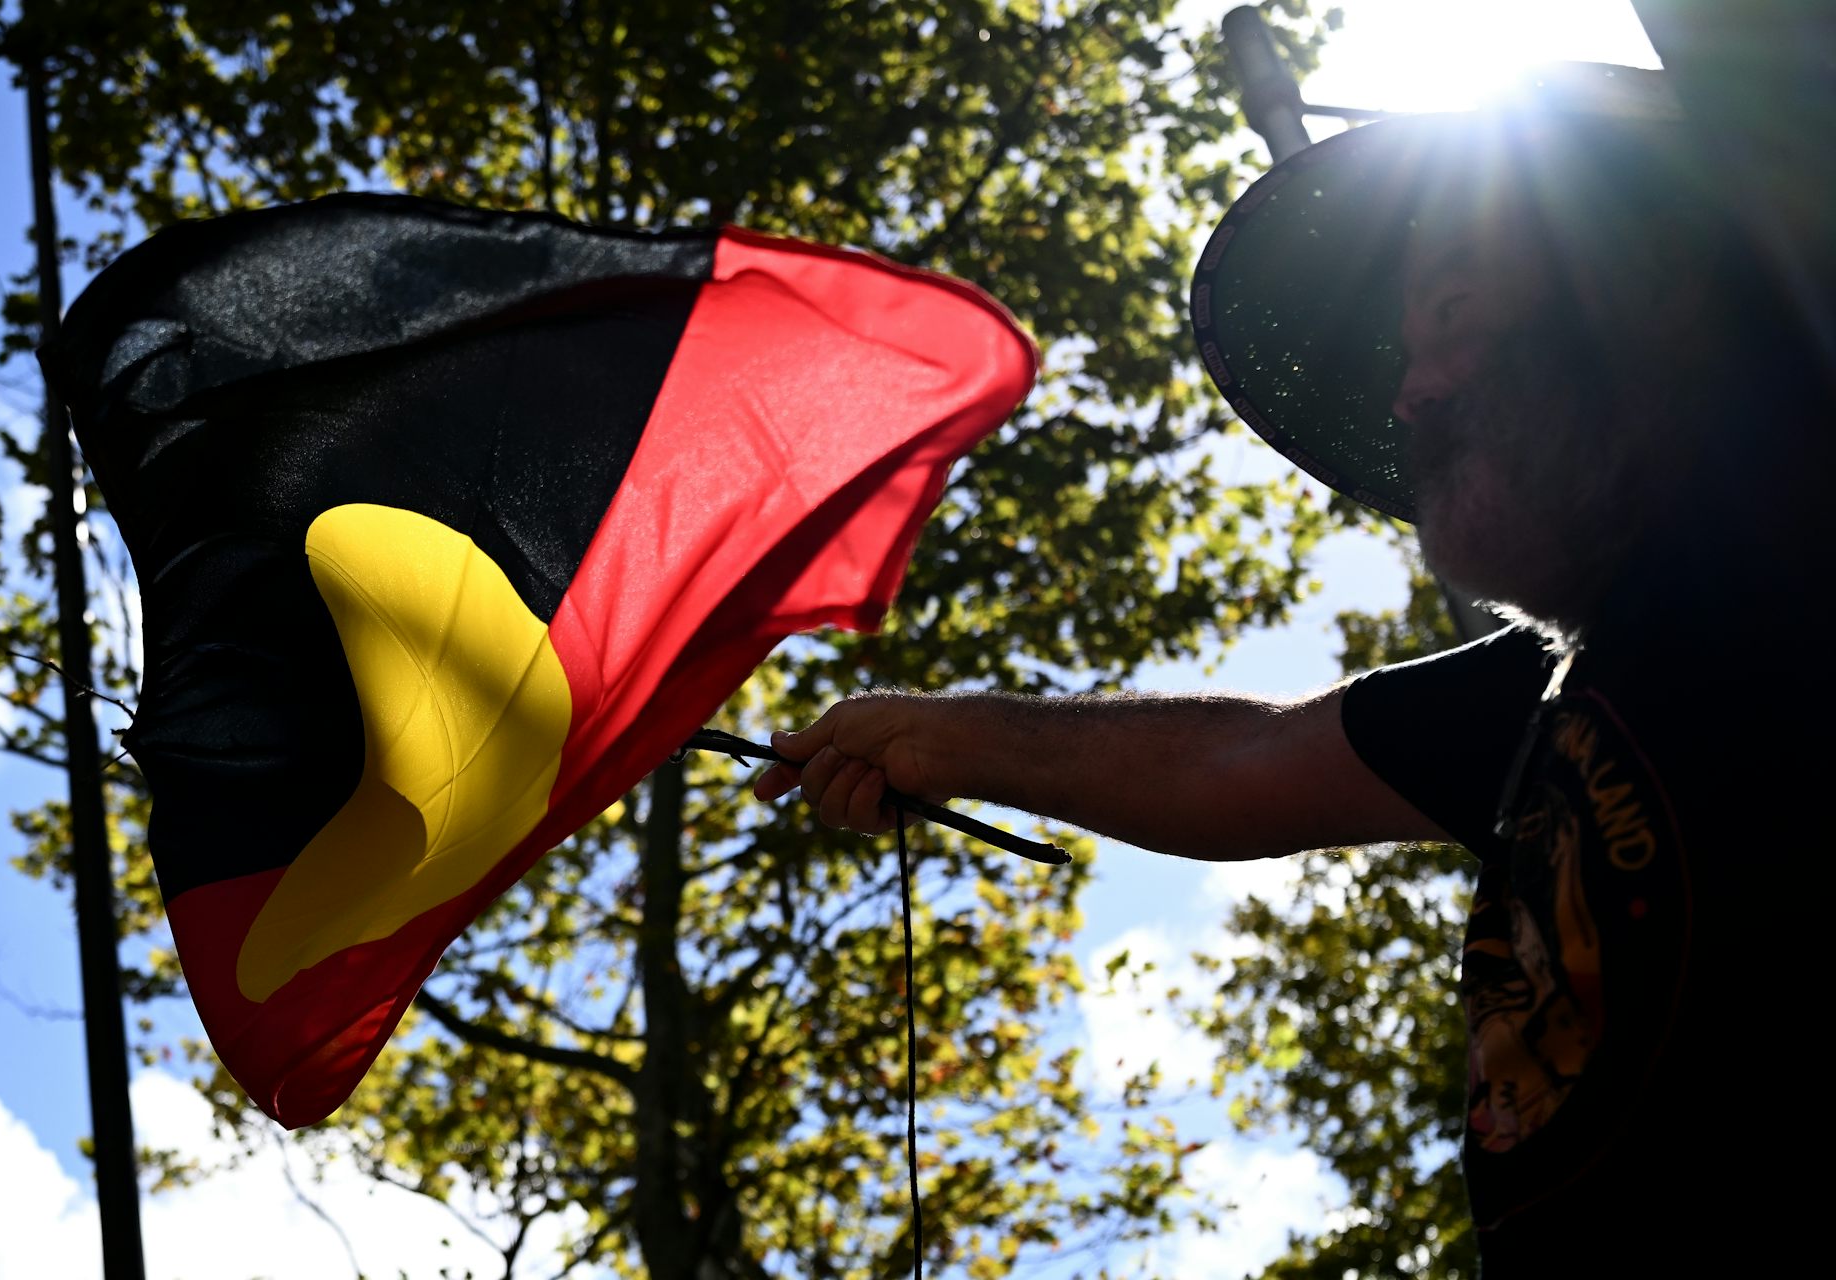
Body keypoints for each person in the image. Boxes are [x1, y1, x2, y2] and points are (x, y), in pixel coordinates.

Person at [755, 63, 1832, 1274]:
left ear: (1653, 281)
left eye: (1459, 311)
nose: (1412, 394)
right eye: (1407, 350)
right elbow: (1243, 761)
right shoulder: (1536, 706)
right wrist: (944, 737)